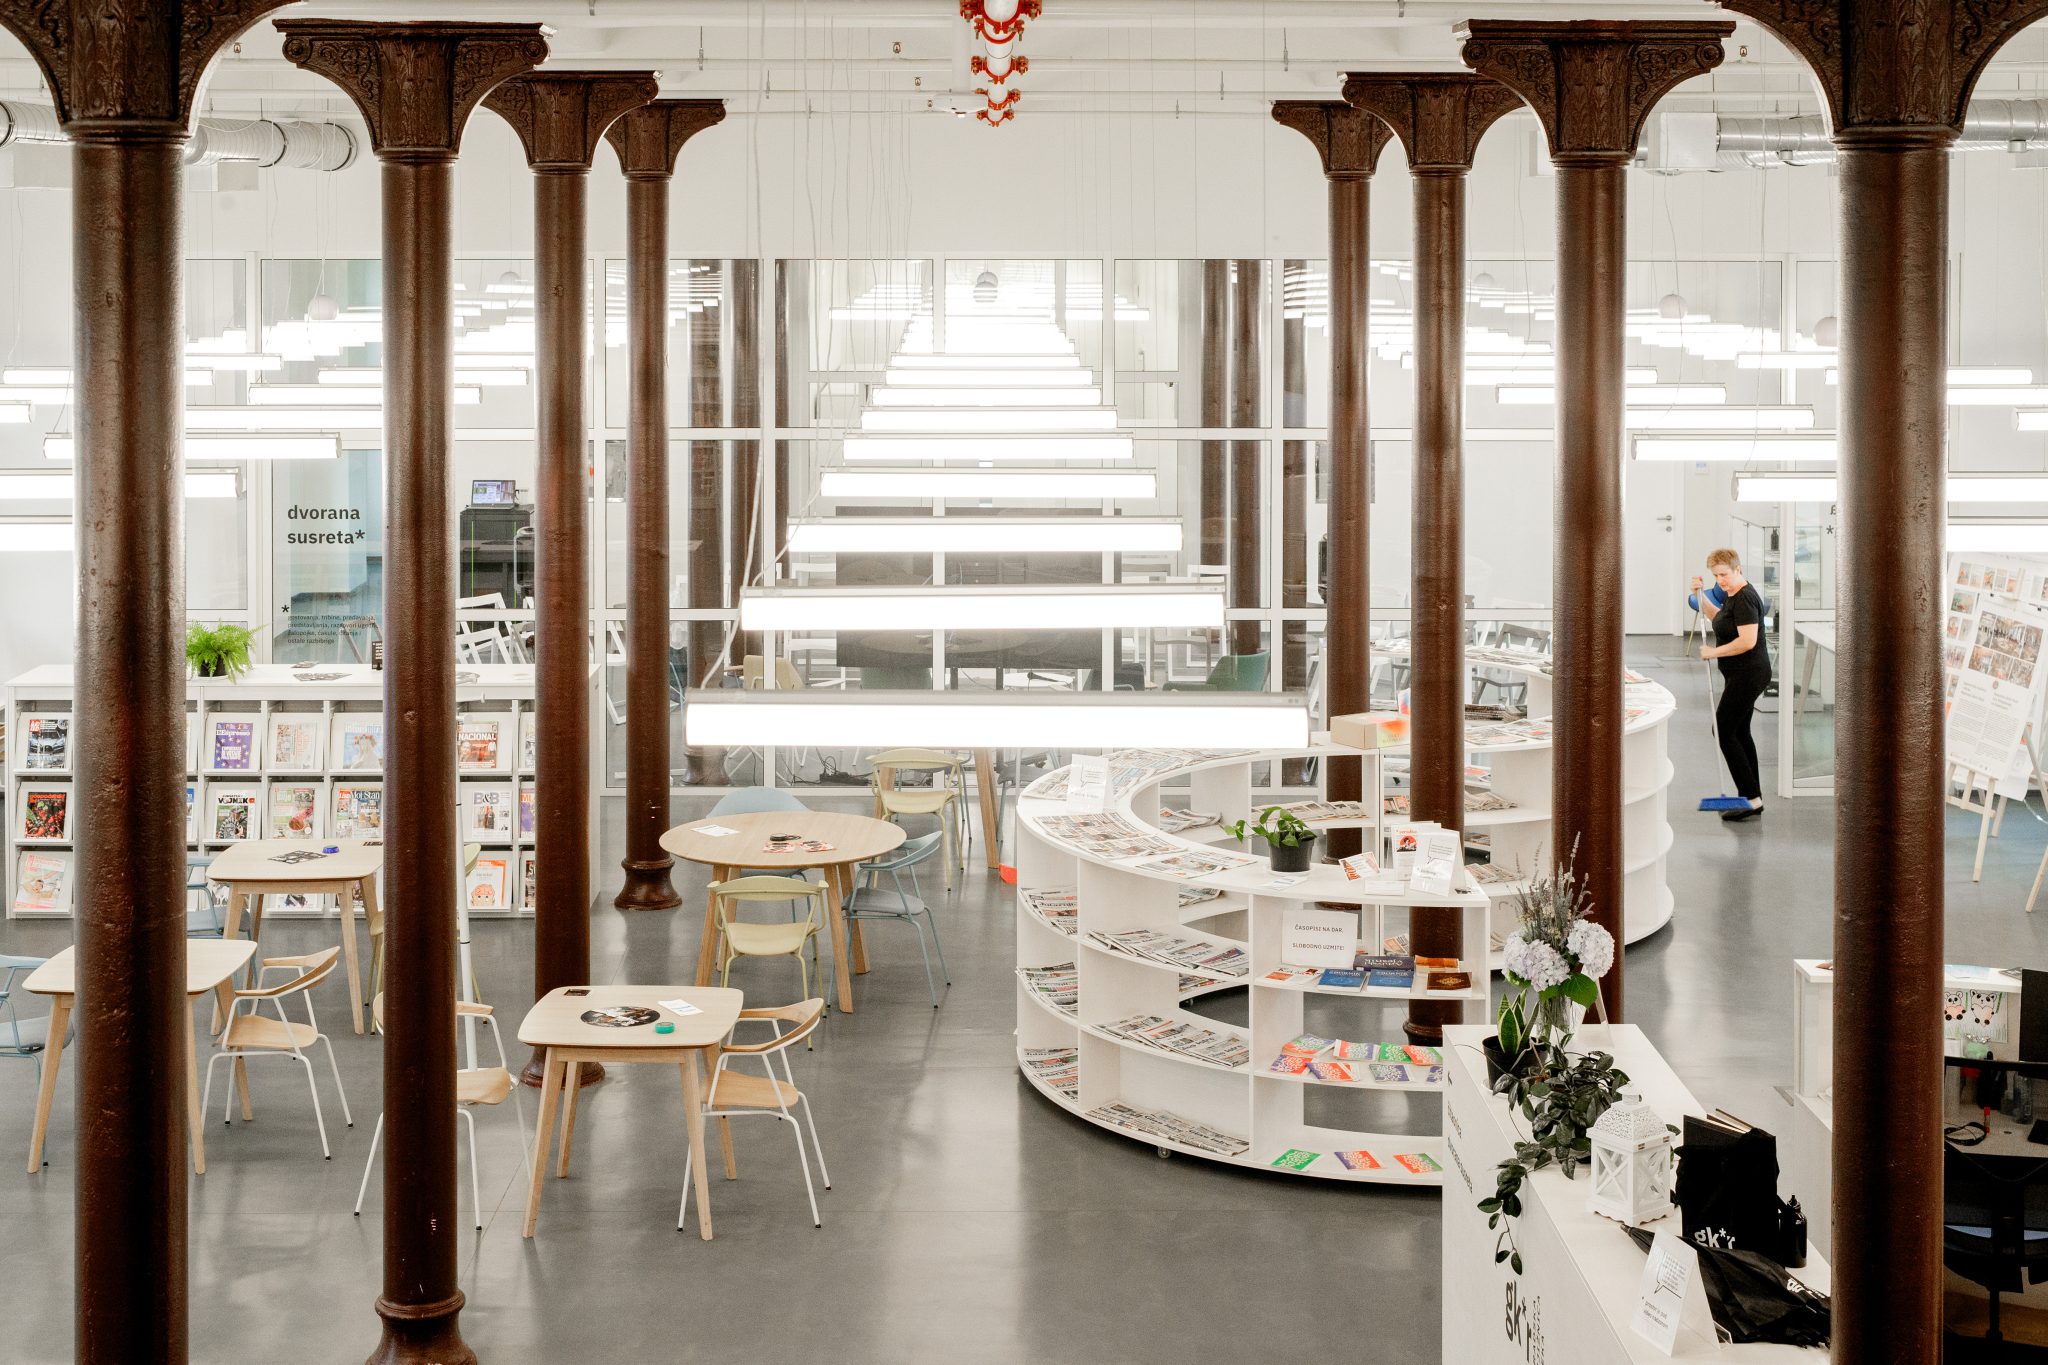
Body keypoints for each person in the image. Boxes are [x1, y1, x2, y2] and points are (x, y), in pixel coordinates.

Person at [1691, 548, 1772, 821]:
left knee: (1723, 730)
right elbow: (1720, 620)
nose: (1721, 581)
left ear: (1738, 569)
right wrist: (1700, 595)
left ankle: (1751, 799)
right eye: (1716, 576)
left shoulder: (1746, 598)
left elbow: (1747, 641)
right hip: (1739, 674)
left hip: (1749, 674)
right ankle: (1753, 797)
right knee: (1740, 731)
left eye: (1724, 574)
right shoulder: (1732, 595)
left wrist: (1713, 652)